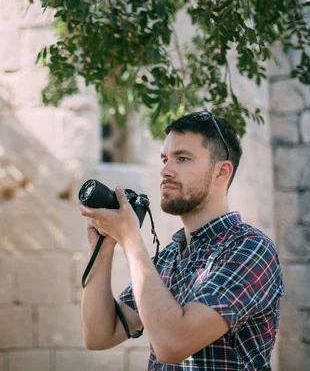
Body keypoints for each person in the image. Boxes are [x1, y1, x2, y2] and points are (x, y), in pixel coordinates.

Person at [79, 111, 284, 370]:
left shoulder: (251, 249)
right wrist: (104, 246)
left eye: (182, 159)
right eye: (165, 159)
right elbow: (99, 335)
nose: (166, 171)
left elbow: (173, 344)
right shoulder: (169, 257)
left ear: (221, 172)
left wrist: (130, 238)